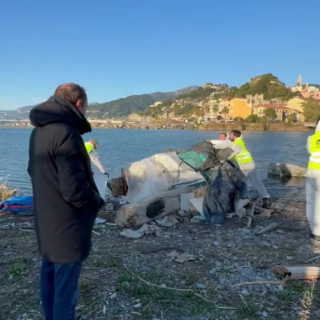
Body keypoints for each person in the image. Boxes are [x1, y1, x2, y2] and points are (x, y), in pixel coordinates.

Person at [28, 83, 105, 320]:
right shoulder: (66, 133)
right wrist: (97, 202)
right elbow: (74, 190)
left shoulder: (38, 131)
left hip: (46, 217)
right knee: (66, 286)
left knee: (49, 274)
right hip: (67, 225)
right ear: (79, 103)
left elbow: (33, 170)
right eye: (86, 108)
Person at [214, 130, 271, 208]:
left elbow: (233, 152)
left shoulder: (238, 143)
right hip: (244, 165)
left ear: (234, 136)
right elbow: (225, 144)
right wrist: (212, 143)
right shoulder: (236, 142)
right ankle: (247, 200)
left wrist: (224, 158)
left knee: (255, 181)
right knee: (244, 183)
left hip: (248, 165)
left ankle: (266, 198)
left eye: (231, 135)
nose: (230, 137)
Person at [306, 118, 320, 251]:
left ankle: (314, 232)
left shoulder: (311, 138)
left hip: (312, 172)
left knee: (312, 201)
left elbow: (310, 151)